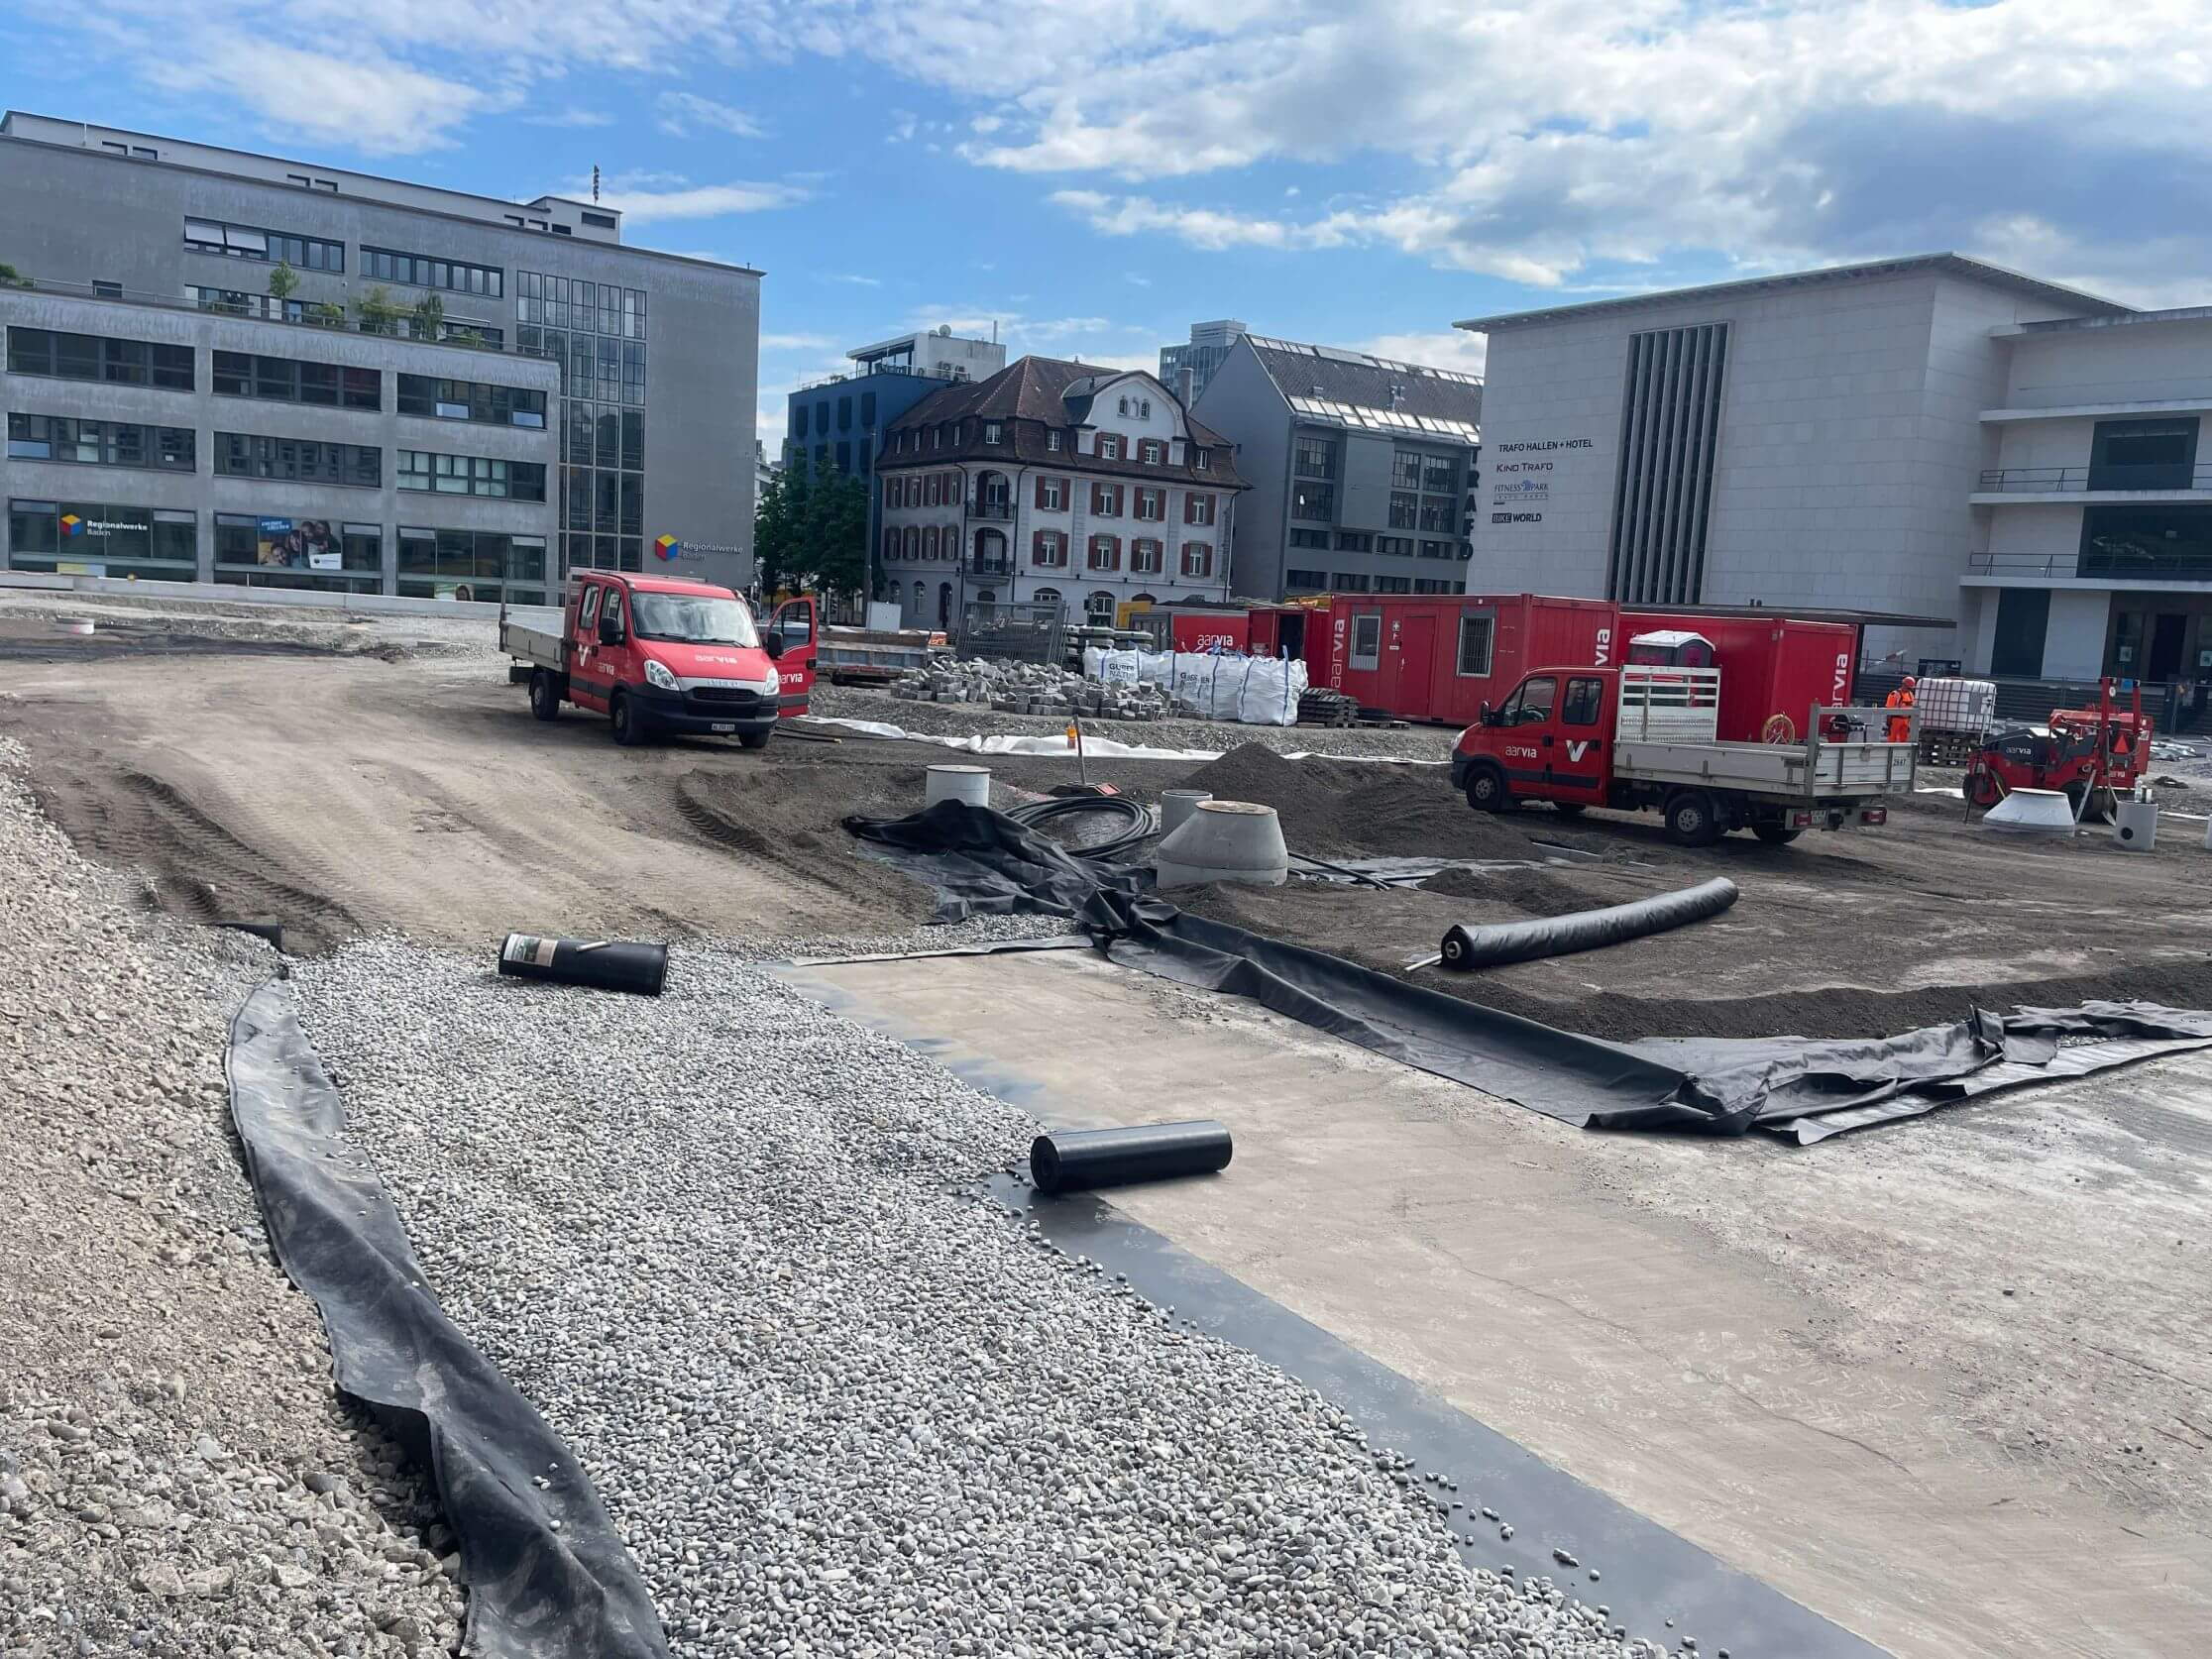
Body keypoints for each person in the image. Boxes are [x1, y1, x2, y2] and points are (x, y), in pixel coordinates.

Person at [1885, 675, 1917, 743]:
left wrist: (1910, 723)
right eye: (1908, 688)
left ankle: (1901, 754)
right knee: (1892, 740)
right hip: (1895, 720)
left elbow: (1912, 708)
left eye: (1910, 688)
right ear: (1903, 685)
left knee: (1904, 740)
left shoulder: (1910, 694)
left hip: (1906, 721)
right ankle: (1890, 753)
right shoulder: (1894, 694)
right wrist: (1888, 724)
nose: (1909, 690)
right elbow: (1889, 710)